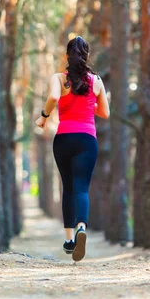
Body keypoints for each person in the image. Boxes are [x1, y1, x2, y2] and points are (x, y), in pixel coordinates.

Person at [35, 36, 110, 261]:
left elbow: (53, 97)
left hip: (64, 138)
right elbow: (105, 113)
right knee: (81, 188)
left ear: (67, 57)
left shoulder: (58, 78)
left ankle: (69, 240)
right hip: (87, 139)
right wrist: (88, 103)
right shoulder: (96, 81)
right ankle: (81, 229)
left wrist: (44, 117)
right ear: (86, 56)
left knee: (67, 187)